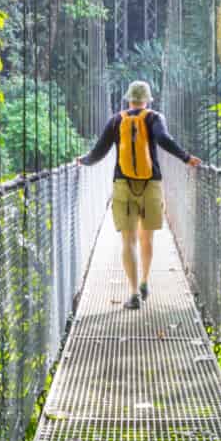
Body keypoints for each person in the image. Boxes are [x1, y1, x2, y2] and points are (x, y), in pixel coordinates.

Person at [78, 80, 200, 309]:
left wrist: (83, 161)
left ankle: (133, 294)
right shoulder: (154, 117)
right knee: (147, 237)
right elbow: (163, 139)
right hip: (150, 184)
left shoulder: (116, 120)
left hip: (123, 184)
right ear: (147, 99)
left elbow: (99, 151)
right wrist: (186, 157)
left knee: (128, 240)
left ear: (128, 99)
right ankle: (144, 282)